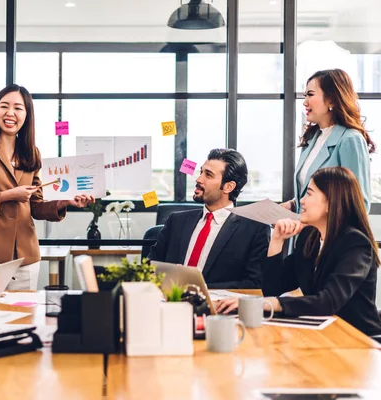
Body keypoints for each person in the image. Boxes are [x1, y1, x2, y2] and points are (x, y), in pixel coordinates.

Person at [0, 84, 94, 289]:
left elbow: (35, 206)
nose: (10, 113)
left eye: (18, 108)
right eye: (4, 106)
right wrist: (6, 195)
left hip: (25, 257)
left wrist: (65, 202)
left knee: (23, 318)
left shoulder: (31, 153)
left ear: (27, 115)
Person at [218, 167, 381, 338]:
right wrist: (277, 241)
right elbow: (273, 289)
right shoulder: (309, 237)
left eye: (309, 194)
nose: (302, 201)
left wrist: (261, 304)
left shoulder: (355, 243)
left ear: (331, 202)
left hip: (358, 339)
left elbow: (328, 301)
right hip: (324, 334)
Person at [148, 149, 270, 289]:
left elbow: (254, 283)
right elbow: (151, 267)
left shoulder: (254, 229)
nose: (199, 179)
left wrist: (199, 288)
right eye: (201, 172)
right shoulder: (176, 221)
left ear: (228, 187)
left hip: (218, 307)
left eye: (208, 175)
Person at [281, 69, 374, 213]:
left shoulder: (350, 140)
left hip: (329, 235)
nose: (305, 102)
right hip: (303, 233)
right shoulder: (312, 138)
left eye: (310, 95)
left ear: (332, 99)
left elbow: (359, 204)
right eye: (305, 95)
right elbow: (311, 192)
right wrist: (293, 205)